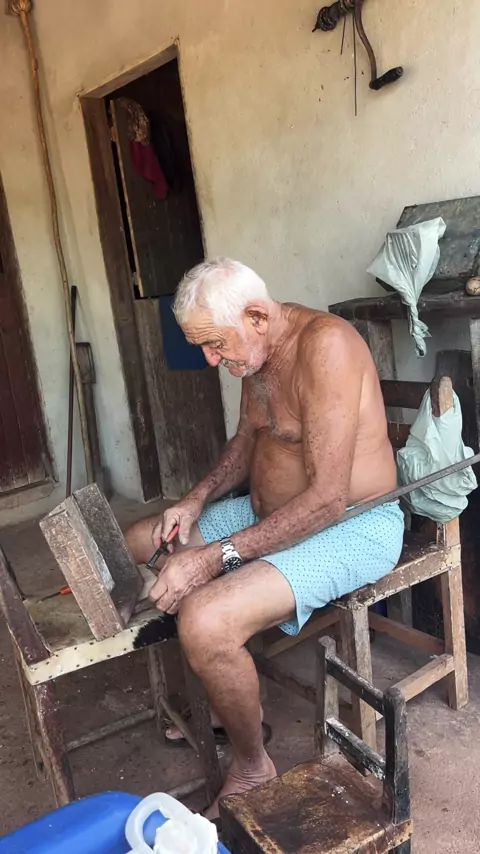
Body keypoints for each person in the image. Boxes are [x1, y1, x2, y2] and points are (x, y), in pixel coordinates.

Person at [125, 257, 404, 817]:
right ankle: (224, 695)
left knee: (205, 619)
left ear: (256, 316)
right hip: (271, 514)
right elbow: (245, 444)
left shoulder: (326, 348)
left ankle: (253, 765)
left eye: (214, 344)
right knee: (141, 540)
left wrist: (215, 558)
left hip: (353, 523)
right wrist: (194, 500)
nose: (211, 360)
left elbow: (327, 499)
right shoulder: (253, 353)